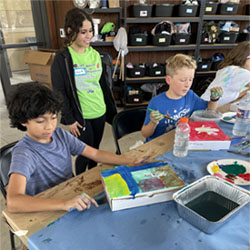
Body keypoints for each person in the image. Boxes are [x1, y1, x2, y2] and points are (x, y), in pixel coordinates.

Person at [6, 82, 143, 213]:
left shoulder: (59, 134)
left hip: (70, 194)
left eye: (53, 118)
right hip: (47, 207)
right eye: (40, 121)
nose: (49, 126)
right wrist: (64, 204)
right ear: (23, 121)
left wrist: (130, 161)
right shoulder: (24, 153)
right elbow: (13, 202)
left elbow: (94, 154)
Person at [51, 7, 116, 175]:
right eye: (84, 32)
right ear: (70, 31)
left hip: (99, 111)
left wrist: (110, 109)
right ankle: (79, 181)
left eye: (91, 31)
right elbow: (59, 91)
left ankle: (92, 178)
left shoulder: (95, 54)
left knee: (96, 151)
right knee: (85, 154)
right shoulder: (62, 59)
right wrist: (70, 119)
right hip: (81, 117)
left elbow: (102, 84)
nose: (89, 36)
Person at [141, 54, 223, 142]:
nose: (187, 84)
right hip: (158, 144)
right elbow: (145, 134)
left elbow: (209, 112)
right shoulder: (157, 103)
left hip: (180, 140)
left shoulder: (190, 95)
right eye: (183, 80)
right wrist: (153, 122)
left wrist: (214, 99)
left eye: (190, 79)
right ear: (169, 80)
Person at [201, 41, 250, 106]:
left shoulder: (228, 69)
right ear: (243, 58)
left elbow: (230, 94)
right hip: (209, 108)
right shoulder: (242, 73)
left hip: (203, 103)